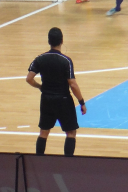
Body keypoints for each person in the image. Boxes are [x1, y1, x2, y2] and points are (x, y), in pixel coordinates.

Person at [26, 27, 86, 157]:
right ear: (61, 40)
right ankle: (67, 162)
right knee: (70, 133)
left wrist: (40, 87)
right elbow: (73, 84)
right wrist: (81, 102)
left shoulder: (40, 59)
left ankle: (38, 160)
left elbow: (29, 79)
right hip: (63, 100)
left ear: (49, 41)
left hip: (46, 99)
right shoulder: (66, 61)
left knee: (44, 132)